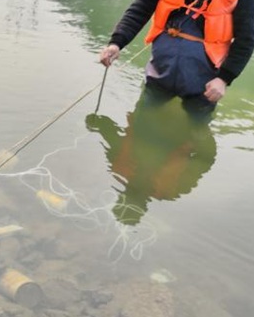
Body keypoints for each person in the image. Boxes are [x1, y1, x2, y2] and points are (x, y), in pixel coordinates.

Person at [99, 0, 254, 121]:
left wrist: (224, 79)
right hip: (160, 72)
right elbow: (140, 8)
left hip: (204, 82)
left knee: (196, 132)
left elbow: (246, 39)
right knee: (141, 122)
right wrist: (116, 43)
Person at [87, 95, 216, 225]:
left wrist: (98, 123)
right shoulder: (173, 189)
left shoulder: (118, 166)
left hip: (157, 102)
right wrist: (202, 133)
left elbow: (109, 132)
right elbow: (207, 159)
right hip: (184, 114)